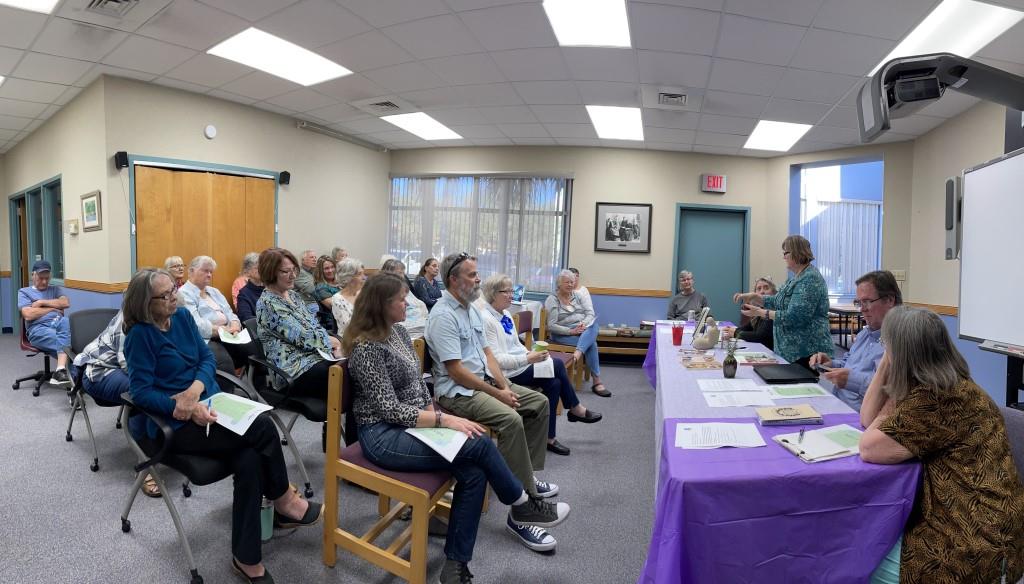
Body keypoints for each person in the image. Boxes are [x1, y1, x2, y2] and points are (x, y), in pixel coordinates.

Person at [346, 274, 569, 582]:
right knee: (479, 444)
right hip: (382, 435)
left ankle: (455, 567)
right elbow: (389, 409)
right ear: (382, 306)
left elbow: (417, 384)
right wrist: (443, 420)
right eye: (401, 300)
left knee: (475, 471)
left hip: (413, 423)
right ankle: (521, 503)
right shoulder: (366, 347)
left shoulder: (397, 331)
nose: (407, 304)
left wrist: (432, 414)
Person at [122, 268, 323, 583]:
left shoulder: (184, 318)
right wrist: (183, 407)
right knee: (263, 428)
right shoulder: (139, 336)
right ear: (146, 304)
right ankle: (284, 501)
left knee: (250, 457)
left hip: (208, 404)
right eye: (166, 295)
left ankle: (246, 557)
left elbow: (207, 361)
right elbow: (141, 393)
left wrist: (196, 390)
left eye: (174, 289)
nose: (175, 296)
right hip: (172, 424)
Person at [859, 306, 1024, 584]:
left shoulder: (935, 399)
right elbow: (867, 419)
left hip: (975, 542)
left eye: (888, 345)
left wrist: (888, 366)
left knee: (862, 560)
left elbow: (868, 447)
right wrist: (892, 364)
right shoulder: (951, 384)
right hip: (990, 524)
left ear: (904, 353)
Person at [425, 252, 569, 552]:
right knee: (511, 418)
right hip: (458, 393)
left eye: (477, 274)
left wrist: (505, 385)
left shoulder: (472, 309)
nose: (478, 279)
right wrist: (498, 394)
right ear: (453, 279)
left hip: (486, 383)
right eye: (471, 275)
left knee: (538, 404)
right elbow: (457, 372)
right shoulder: (443, 315)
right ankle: (523, 507)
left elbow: (488, 355)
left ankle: (524, 476)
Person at [480, 274, 602, 456]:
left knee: (555, 384)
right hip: (506, 373)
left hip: (520, 364)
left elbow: (515, 346)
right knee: (559, 365)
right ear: (492, 294)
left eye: (511, 291)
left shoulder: (505, 314)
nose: (511, 295)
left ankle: (549, 438)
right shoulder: (486, 319)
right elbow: (496, 360)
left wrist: (529, 353)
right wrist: (528, 359)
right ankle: (575, 408)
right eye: (506, 292)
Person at [256, 248, 354, 446]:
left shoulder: (293, 296)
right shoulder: (268, 303)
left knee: (356, 370)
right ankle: (352, 453)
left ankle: (353, 449)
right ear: (270, 272)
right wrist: (330, 342)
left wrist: (332, 342)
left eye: (294, 269)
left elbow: (313, 326)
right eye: (285, 271)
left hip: (316, 357)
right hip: (292, 370)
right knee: (352, 375)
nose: (293, 275)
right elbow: (302, 337)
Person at [71, 310, 161, 498]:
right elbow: (129, 364)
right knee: (141, 393)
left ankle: (162, 444)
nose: (172, 298)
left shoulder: (169, 316)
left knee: (161, 386)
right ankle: (145, 466)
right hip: (99, 369)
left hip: (127, 368)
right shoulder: (131, 316)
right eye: (165, 295)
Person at [733, 235, 832, 368]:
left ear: (796, 252)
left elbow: (795, 316)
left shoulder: (810, 279)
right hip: (789, 351)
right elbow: (778, 300)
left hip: (805, 352)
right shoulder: (795, 277)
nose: (783, 257)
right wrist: (755, 297)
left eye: (785, 253)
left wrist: (761, 312)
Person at [808, 270, 902, 411]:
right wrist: (830, 363)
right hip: (837, 404)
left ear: (889, 300)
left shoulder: (902, 340)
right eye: (859, 303)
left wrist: (851, 380)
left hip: (862, 417)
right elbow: (849, 363)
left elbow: (894, 391)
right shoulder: (865, 333)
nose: (862, 310)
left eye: (867, 302)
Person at [177, 255, 250, 374]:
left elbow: (230, 313)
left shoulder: (214, 291)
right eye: (205, 271)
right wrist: (222, 330)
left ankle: (259, 389)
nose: (209, 275)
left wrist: (235, 325)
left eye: (211, 272)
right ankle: (223, 390)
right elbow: (197, 325)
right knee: (223, 362)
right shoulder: (184, 294)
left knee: (254, 349)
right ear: (191, 271)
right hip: (203, 339)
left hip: (227, 334)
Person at [544, 269, 610, 397]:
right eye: (567, 282)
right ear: (559, 284)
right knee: (592, 344)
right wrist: (570, 331)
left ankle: (577, 353)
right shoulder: (552, 300)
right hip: (563, 334)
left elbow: (590, 313)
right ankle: (597, 381)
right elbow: (551, 326)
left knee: (594, 325)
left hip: (582, 330)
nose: (570, 285)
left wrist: (583, 324)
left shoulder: (577, 296)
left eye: (572, 282)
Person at [17, 260, 71, 387]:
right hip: (38, 330)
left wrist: (41, 302)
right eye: (41, 278)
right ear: (33, 275)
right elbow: (28, 315)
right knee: (69, 347)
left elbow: (65, 303)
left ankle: (61, 370)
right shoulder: (24, 292)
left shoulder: (55, 289)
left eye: (47, 278)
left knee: (65, 321)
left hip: (59, 325)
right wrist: (53, 308)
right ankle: (73, 392)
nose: (45, 282)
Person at [722, 277, 776, 350]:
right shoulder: (759, 310)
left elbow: (760, 337)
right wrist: (730, 330)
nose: (762, 291)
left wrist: (735, 332)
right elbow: (748, 327)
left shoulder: (773, 311)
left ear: (774, 292)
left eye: (766, 288)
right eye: (759, 289)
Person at [380, 259, 428, 339]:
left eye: (403, 273)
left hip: (417, 323)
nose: (402, 276)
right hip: (404, 329)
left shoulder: (403, 286)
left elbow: (416, 302)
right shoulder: (384, 290)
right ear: (388, 273)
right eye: (399, 273)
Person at [330, 258, 365, 338]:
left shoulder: (363, 293)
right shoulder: (337, 299)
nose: (364, 277)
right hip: (349, 341)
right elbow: (348, 328)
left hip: (368, 337)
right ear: (349, 277)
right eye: (360, 274)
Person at [312, 255, 340, 333]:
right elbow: (335, 306)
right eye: (326, 268)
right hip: (333, 325)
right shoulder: (321, 287)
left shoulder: (340, 282)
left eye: (332, 267)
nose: (330, 270)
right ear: (321, 271)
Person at [235, 259, 265, 324]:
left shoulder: (270, 289)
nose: (261, 270)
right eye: (257, 268)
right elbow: (246, 319)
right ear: (248, 272)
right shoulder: (243, 294)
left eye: (262, 267)